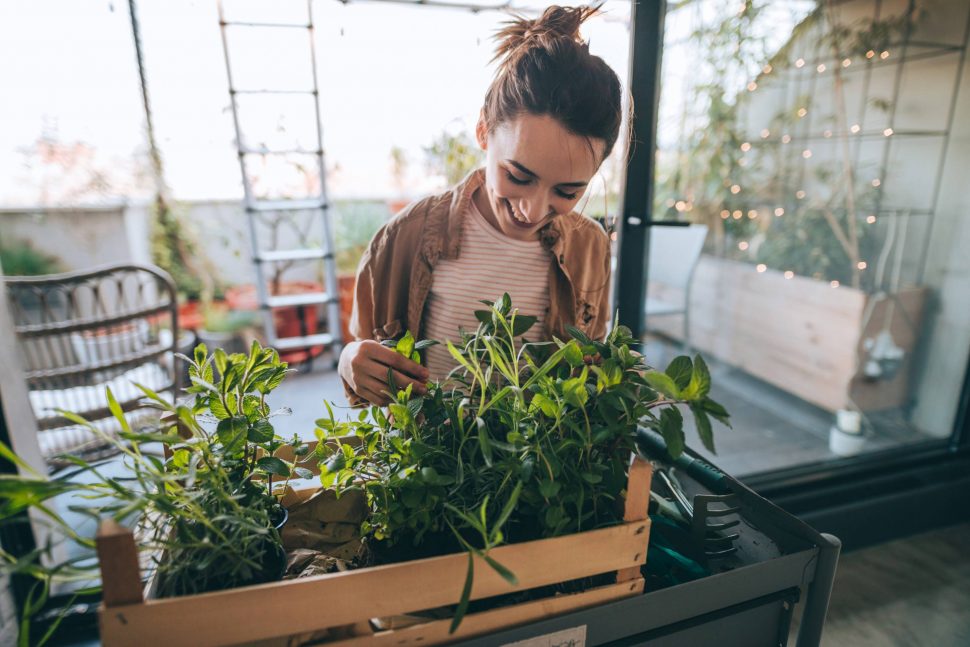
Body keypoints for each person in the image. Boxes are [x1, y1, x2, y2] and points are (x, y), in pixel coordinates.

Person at [339, 3, 628, 406]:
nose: (532, 210)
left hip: (543, 467)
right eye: (519, 176)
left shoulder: (590, 247)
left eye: (567, 192)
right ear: (483, 131)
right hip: (429, 460)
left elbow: (587, 370)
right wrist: (350, 360)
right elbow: (363, 346)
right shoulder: (402, 236)